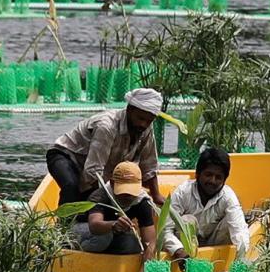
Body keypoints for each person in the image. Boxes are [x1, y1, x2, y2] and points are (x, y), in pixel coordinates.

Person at [46, 89, 164, 218]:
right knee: (72, 187)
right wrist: (101, 202)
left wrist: (156, 195)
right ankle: (64, 227)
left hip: (91, 163)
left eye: (148, 121)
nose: (143, 124)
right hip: (66, 154)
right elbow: (93, 171)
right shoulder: (107, 126)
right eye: (140, 118)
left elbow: (149, 163)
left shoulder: (145, 128)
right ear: (130, 109)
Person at [161, 147, 251, 259]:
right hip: (184, 252)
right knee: (187, 221)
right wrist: (178, 251)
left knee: (232, 223)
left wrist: (241, 262)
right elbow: (165, 230)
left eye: (218, 177)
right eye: (208, 175)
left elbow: (240, 231)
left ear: (224, 179)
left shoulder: (228, 196)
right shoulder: (183, 192)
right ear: (198, 174)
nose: (213, 181)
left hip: (214, 249)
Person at [70, 160, 162, 257]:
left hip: (114, 236)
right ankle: (75, 249)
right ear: (113, 183)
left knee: (133, 245)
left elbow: (150, 242)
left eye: (131, 192)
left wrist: (143, 270)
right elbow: (94, 225)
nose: (128, 197)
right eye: (124, 192)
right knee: (104, 237)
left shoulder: (142, 201)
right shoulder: (100, 196)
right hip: (86, 229)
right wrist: (113, 225)